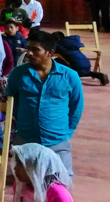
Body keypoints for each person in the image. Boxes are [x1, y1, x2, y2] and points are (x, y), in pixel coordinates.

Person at [7, 31, 83, 176]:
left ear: (50, 53)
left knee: (60, 182)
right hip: (25, 140)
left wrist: (65, 133)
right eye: (28, 48)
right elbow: (13, 103)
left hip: (57, 142)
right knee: (24, 182)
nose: (29, 53)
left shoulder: (69, 76)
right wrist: (24, 123)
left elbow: (76, 108)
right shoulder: (17, 74)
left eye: (35, 50)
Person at [10, 143, 74, 202]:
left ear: (36, 168)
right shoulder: (20, 186)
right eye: (16, 163)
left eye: (21, 164)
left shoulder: (58, 194)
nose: (15, 168)